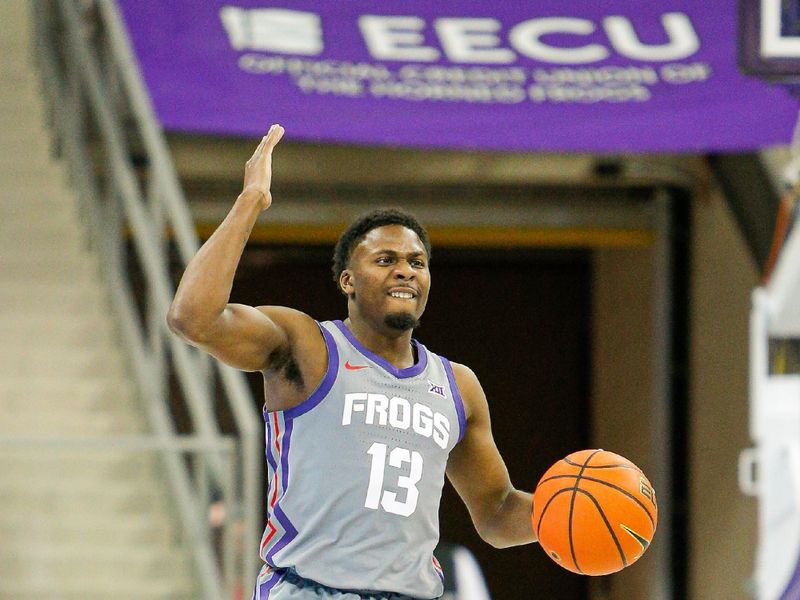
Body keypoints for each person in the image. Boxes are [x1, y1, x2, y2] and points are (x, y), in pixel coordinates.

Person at [167, 124, 537, 600]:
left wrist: (569, 516)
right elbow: (192, 319)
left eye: (416, 261)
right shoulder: (307, 346)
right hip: (307, 590)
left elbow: (497, 513)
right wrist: (250, 202)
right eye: (384, 259)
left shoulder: (458, 385)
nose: (405, 269)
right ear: (347, 280)